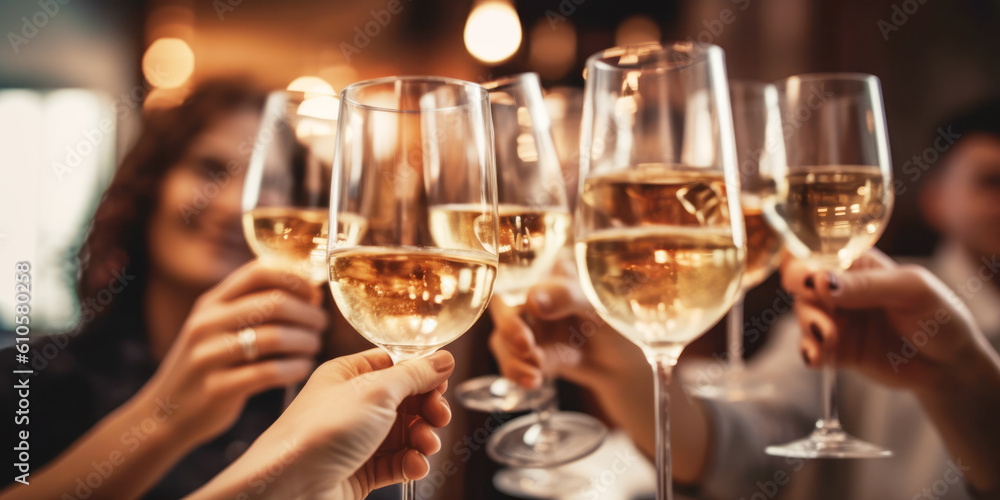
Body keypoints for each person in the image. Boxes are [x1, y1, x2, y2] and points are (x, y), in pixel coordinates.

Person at [490, 100, 1000, 499]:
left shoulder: (890, 310)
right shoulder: (885, 312)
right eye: (990, 182)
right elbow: (752, 451)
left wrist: (965, 379)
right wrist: (626, 373)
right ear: (934, 196)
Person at [0, 79, 330, 498]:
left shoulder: (316, 404)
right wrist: (163, 418)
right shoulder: (27, 382)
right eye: (211, 169)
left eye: (270, 182)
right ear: (151, 185)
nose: (235, 205)